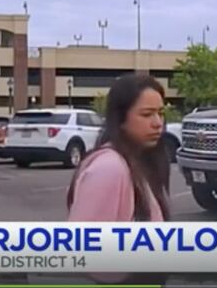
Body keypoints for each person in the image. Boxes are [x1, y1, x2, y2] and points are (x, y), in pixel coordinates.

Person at [67, 73, 170, 284]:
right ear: (121, 119)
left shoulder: (139, 161)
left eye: (160, 113)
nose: (158, 123)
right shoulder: (109, 167)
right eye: (147, 114)